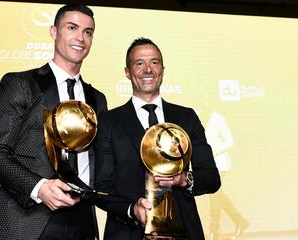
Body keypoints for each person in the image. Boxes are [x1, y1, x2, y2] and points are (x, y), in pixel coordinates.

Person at [0, 4, 107, 240]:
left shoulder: (97, 99)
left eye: (88, 32)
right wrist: (39, 188)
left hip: (82, 223)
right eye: (72, 27)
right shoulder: (20, 84)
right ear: (53, 31)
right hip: (26, 218)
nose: (81, 37)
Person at [94, 37, 221, 240]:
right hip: (128, 233)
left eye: (154, 62)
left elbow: (212, 177)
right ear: (127, 72)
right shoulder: (109, 121)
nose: (148, 70)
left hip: (185, 233)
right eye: (139, 63)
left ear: (162, 69)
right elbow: (102, 187)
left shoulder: (186, 117)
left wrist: (184, 180)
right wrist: (132, 209)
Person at [202, 110, 249, 239]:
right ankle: (239, 221)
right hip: (207, 164)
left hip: (220, 163)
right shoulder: (197, 114)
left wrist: (214, 150)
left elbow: (230, 141)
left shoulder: (218, 118)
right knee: (216, 195)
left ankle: (214, 231)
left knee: (215, 195)